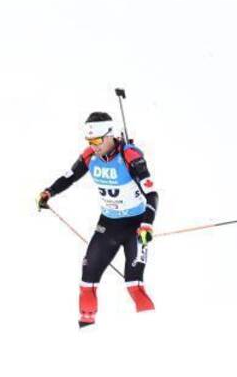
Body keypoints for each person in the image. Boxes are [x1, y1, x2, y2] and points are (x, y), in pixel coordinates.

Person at [37, 111, 158, 326]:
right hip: (108, 225)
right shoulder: (89, 156)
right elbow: (69, 177)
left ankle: (151, 329)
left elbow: (152, 194)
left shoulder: (130, 156)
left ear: (110, 135)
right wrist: (49, 192)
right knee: (87, 281)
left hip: (135, 226)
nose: (93, 146)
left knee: (134, 286)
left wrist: (147, 224)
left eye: (97, 140)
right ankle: (86, 331)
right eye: (89, 141)